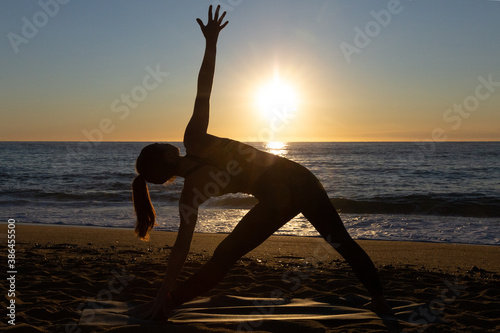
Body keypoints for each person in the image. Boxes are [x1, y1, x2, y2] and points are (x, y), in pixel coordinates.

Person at [128, 5, 392, 321]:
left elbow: (180, 253)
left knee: (225, 256)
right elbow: (204, 90)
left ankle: (168, 304)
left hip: (281, 195)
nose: (164, 142)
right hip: (295, 182)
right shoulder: (194, 141)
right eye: (160, 145)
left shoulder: (190, 196)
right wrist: (211, 43)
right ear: (167, 155)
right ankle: (379, 299)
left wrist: (161, 294)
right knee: (339, 242)